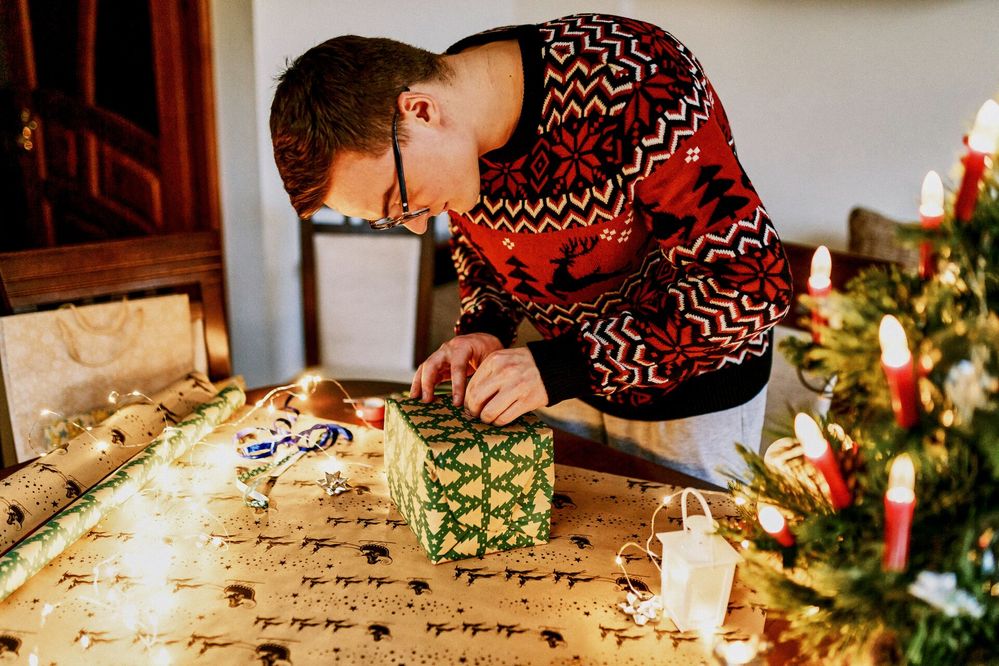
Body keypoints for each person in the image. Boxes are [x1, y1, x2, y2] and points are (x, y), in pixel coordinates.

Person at [269, 13, 793, 485]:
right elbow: (487, 251)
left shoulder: (636, 82)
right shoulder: (456, 126)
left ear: (420, 111)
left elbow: (754, 287)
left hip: (693, 402)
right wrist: (484, 327)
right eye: (392, 219)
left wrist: (566, 365)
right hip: (561, 386)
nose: (418, 225)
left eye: (400, 202)